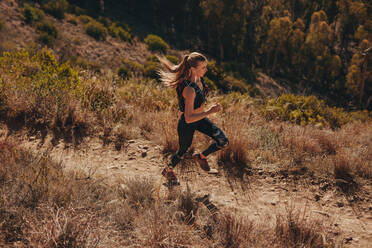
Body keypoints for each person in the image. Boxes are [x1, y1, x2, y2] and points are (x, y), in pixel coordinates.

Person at [157, 52, 229, 185]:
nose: (206, 70)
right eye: (203, 67)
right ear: (192, 69)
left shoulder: (199, 80)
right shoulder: (189, 89)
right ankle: (167, 171)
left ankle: (201, 157)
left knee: (223, 141)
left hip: (200, 120)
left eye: (205, 67)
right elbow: (189, 118)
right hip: (187, 124)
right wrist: (209, 111)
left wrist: (206, 112)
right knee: (182, 152)